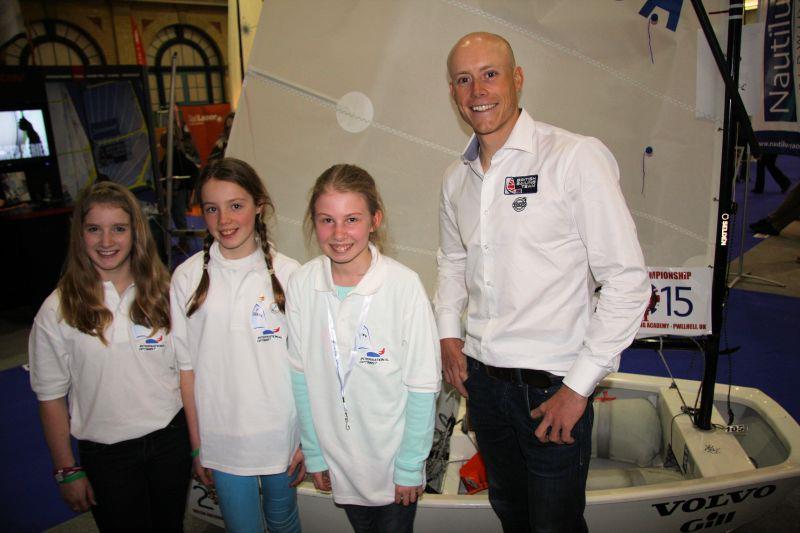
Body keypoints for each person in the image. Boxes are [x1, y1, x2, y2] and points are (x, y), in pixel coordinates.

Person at [435, 32, 650, 531]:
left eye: (490, 74)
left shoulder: (574, 158)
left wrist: (578, 390)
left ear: (517, 79)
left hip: (552, 389)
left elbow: (628, 282)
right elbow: (451, 260)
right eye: (463, 80)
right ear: (452, 93)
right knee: (510, 512)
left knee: (554, 524)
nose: (477, 90)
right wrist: (449, 332)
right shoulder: (455, 179)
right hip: (484, 385)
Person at [287, 164, 441, 533]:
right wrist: (314, 453)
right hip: (338, 459)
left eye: (351, 219)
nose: (339, 234)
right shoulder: (302, 284)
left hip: (392, 464)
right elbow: (300, 376)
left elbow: (422, 386)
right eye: (327, 220)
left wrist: (409, 466)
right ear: (313, 222)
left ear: (375, 220)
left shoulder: (404, 287)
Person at [29, 181, 190, 531]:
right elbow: (50, 396)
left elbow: (187, 373)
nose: (106, 242)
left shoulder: (165, 294)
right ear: (79, 235)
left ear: (136, 233)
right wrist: (66, 469)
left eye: (118, 228)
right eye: (94, 229)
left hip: (169, 440)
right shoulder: (57, 309)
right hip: (107, 454)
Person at [171, 157, 305, 533]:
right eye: (212, 209)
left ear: (259, 205)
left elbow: (306, 366)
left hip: (281, 435)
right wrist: (199, 446)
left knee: (284, 522)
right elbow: (187, 371)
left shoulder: (291, 274)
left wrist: (308, 439)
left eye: (236, 205)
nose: (224, 220)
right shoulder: (186, 277)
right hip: (223, 441)